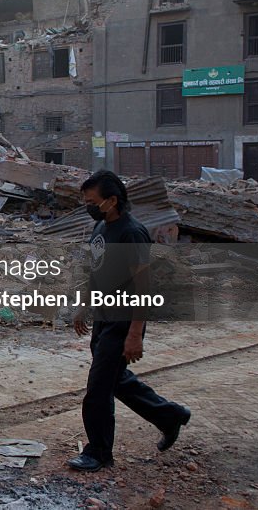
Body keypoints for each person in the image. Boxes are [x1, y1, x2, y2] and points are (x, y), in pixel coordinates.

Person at [68, 170, 191, 472]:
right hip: (103, 316)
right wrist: (84, 305)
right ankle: (169, 416)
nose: (89, 206)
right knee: (115, 380)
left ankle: (98, 452)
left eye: (93, 201)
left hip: (123, 321)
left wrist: (135, 334)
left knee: (98, 389)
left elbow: (143, 286)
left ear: (112, 200)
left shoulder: (132, 233)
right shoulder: (100, 227)